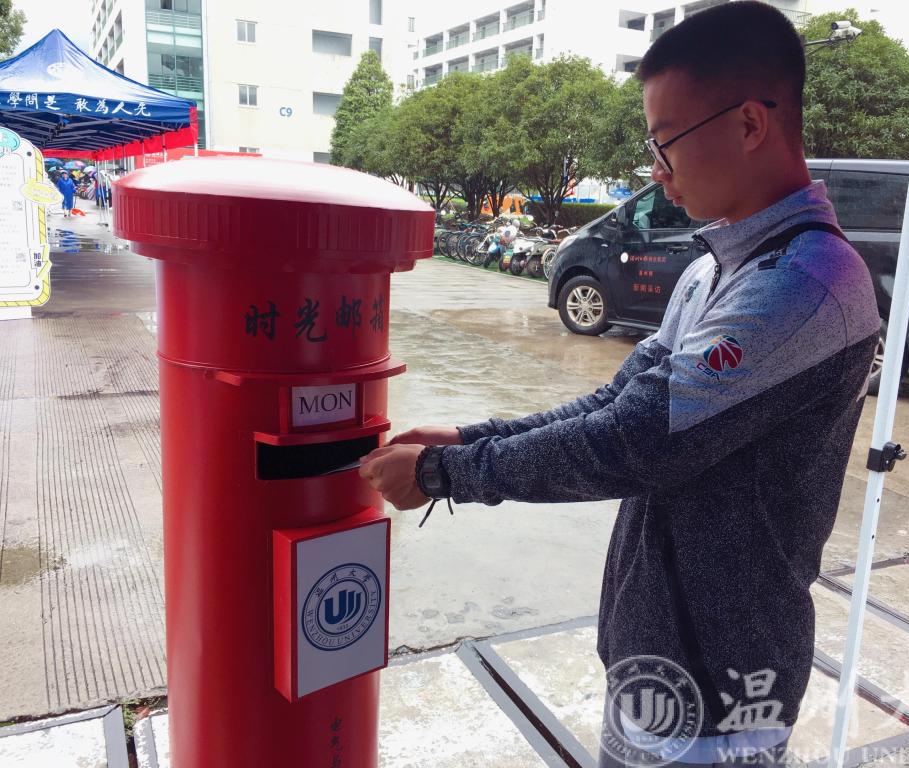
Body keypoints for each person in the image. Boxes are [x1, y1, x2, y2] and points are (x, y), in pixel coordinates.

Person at [359, 2, 879, 765]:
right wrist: (472, 437)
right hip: (659, 650)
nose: (656, 170)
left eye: (666, 141)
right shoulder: (716, 270)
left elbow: (637, 442)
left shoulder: (807, 283)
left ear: (748, 124)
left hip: (723, 678)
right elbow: (618, 400)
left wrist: (448, 472)